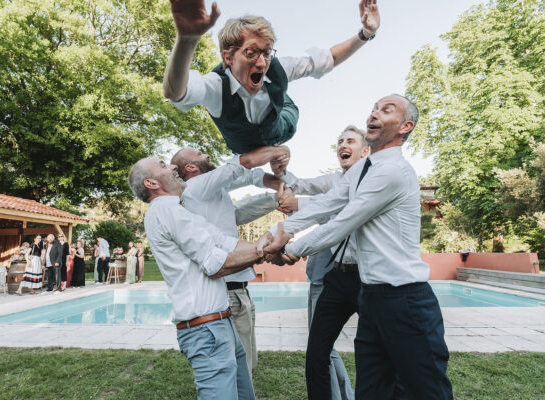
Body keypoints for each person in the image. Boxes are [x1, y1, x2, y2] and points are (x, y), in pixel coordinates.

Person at [262, 95, 453, 399]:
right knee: (372, 391)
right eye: (374, 108)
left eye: (386, 110)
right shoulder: (361, 171)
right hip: (372, 296)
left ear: (405, 127)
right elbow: (327, 204)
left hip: (405, 299)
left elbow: (344, 221)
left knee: (424, 392)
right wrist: (278, 232)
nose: (374, 114)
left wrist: (292, 249)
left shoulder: (392, 172)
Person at [163, 0, 380, 156]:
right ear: (228, 58)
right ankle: (275, 98)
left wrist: (366, 33)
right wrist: (187, 39)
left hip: (281, 123)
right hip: (244, 145)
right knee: (248, 155)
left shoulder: (278, 68)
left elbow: (329, 58)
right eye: (251, 53)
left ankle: (279, 96)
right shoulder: (215, 87)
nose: (261, 63)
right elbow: (175, 92)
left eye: (266, 53)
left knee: (283, 99)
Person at [129, 157, 268, 400]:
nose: (173, 167)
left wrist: (266, 247)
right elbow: (215, 265)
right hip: (205, 329)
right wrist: (263, 251)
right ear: (151, 183)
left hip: (221, 323)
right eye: (163, 165)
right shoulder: (166, 210)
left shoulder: (179, 210)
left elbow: (225, 242)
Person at [172, 144, 288, 375]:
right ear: (191, 167)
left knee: (245, 361)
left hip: (238, 288)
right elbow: (241, 167)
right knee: (238, 366)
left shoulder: (208, 194)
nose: (206, 153)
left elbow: (236, 212)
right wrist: (277, 150)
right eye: (199, 153)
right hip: (227, 291)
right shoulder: (196, 185)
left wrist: (275, 198)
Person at [275, 127, 370, 400]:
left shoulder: (375, 180)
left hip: (369, 279)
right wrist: (280, 167)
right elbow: (302, 185)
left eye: (350, 140)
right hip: (333, 276)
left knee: (376, 351)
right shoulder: (332, 181)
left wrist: (298, 207)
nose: (343, 144)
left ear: (365, 151)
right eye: (340, 141)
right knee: (318, 351)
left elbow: (331, 209)